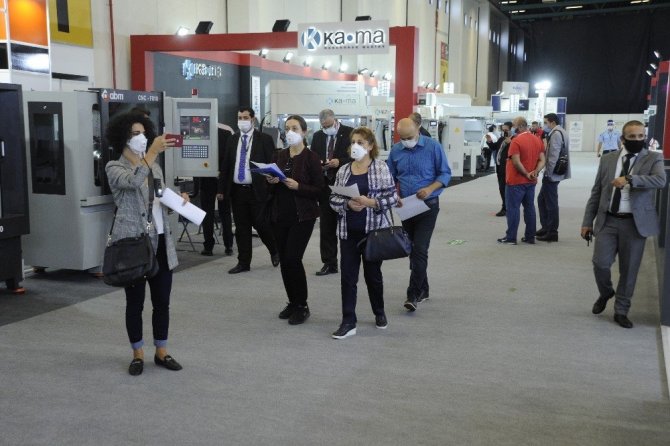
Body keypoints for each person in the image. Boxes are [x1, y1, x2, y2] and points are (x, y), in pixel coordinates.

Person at [105, 111, 189, 376]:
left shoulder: (155, 166)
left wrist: (178, 201)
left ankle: (161, 350)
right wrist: (151, 153)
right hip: (134, 244)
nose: (141, 138)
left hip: (161, 240)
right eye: (135, 134)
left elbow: (159, 196)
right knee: (135, 303)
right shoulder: (114, 167)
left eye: (144, 133)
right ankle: (138, 353)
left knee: (162, 301)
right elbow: (133, 182)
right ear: (123, 138)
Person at [581, 120, 666, 329]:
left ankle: (621, 310)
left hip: (635, 224)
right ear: (623, 138)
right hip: (608, 220)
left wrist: (630, 179)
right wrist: (587, 221)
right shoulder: (608, 159)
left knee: (629, 270)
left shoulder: (653, 158)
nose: (637, 140)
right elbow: (597, 191)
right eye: (632, 137)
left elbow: (660, 180)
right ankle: (606, 292)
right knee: (600, 263)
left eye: (641, 136)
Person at [329, 127, 399, 339]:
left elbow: (393, 198)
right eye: (353, 142)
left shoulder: (381, 168)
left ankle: (379, 311)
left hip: (373, 233)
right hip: (348, 232)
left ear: (370, 146)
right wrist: (347, 204)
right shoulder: (343, 170)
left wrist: (372, 202)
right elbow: (333, 199)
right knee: (348, 278)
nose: (355, 146)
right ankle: (348, 321)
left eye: (360, 142)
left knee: (373, 276)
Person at [387, 118, 452, 311]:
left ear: (418, 129)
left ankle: (413, 294)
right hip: (406, 207)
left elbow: (445, 173)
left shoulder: (433, 147)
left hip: (428, 205)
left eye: (410, 137)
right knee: (411, 249)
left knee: (420, 249)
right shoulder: (396, 150)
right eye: (403, 138)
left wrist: (430, 189)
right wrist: (394, 195)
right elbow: (389, 177)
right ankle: (423, 288)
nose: (406, 141)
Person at [266, 115, 324, 325]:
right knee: (284, 260)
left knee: (293, 258)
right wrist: (271, 180)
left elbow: (320, 190)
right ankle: (292, 301)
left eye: (295, 128)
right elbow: (271, 187)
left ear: (304, 132)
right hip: (280, 214)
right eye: (287, 128)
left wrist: (299, 186)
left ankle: (302, 305)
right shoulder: (279, 155)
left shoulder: (311, 158)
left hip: (303, 216)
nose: (290, 132)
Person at [218, 106, 279, 274]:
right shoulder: (232, 139)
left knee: (261, 224)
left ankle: (274, 249)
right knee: (241, 228)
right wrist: (221, 189)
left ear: (253, 119)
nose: (242, 121)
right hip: (237, 191)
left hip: (257, 190)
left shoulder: (264, 139)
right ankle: (243, 262)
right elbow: (226, 165)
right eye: (240, 118)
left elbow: (272, 162)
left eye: (245, 118)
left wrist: (272, 181)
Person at [310, 109, 353, 276]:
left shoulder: (349, 133)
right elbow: (313, 158)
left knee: (348, 227)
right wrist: (320, 164)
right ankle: (329, 263)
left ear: (335, 120)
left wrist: (339, 162)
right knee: (326, 227)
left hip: (345, 186)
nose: (326, 128)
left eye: (329, 125)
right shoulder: (318, 136)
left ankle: (350, 261)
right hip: (325, 187)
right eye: (324, 126)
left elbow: (357, 157)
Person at [497, 117, 545, 245]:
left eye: (513, 126)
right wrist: (535, 172)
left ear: (519, 127)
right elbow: (542, 160)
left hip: (515, 181)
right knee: (529, 208)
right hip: (531, 182)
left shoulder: (516, 141)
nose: (512, 128)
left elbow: (516, 161)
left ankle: (511, 237)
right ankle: (530, 237)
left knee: (513, 209)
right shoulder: (537, 139)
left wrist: (526, 173)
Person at [198, 126, 234, 256]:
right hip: (216, 179)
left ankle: (212, 246)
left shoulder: (201, 134)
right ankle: (226, 245)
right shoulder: (225, 133)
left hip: (214, 178)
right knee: (221, 213)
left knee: (214, 213)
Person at [537, 113, 571, 242]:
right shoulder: (562, 131)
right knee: (542, 199)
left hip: (552, 174)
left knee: (550, 203)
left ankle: (552, 232)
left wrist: (548, 173)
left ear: (552, 122)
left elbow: (553, 155)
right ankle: (546, 227)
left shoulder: (556, 134)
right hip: (557, 172)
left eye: (546, 122)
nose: (545, 125)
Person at [494, 121, 513, 217]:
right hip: (499, 166)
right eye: (503, 130)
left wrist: (510, 143)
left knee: (505, 188)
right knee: (501, 188)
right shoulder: (501, 139)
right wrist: (489, 142)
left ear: (511, 130)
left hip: (507, 167)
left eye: (506, 130)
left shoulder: (514, 140)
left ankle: (506, 208)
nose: (504, 132)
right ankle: (505, 206)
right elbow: (495, 147)